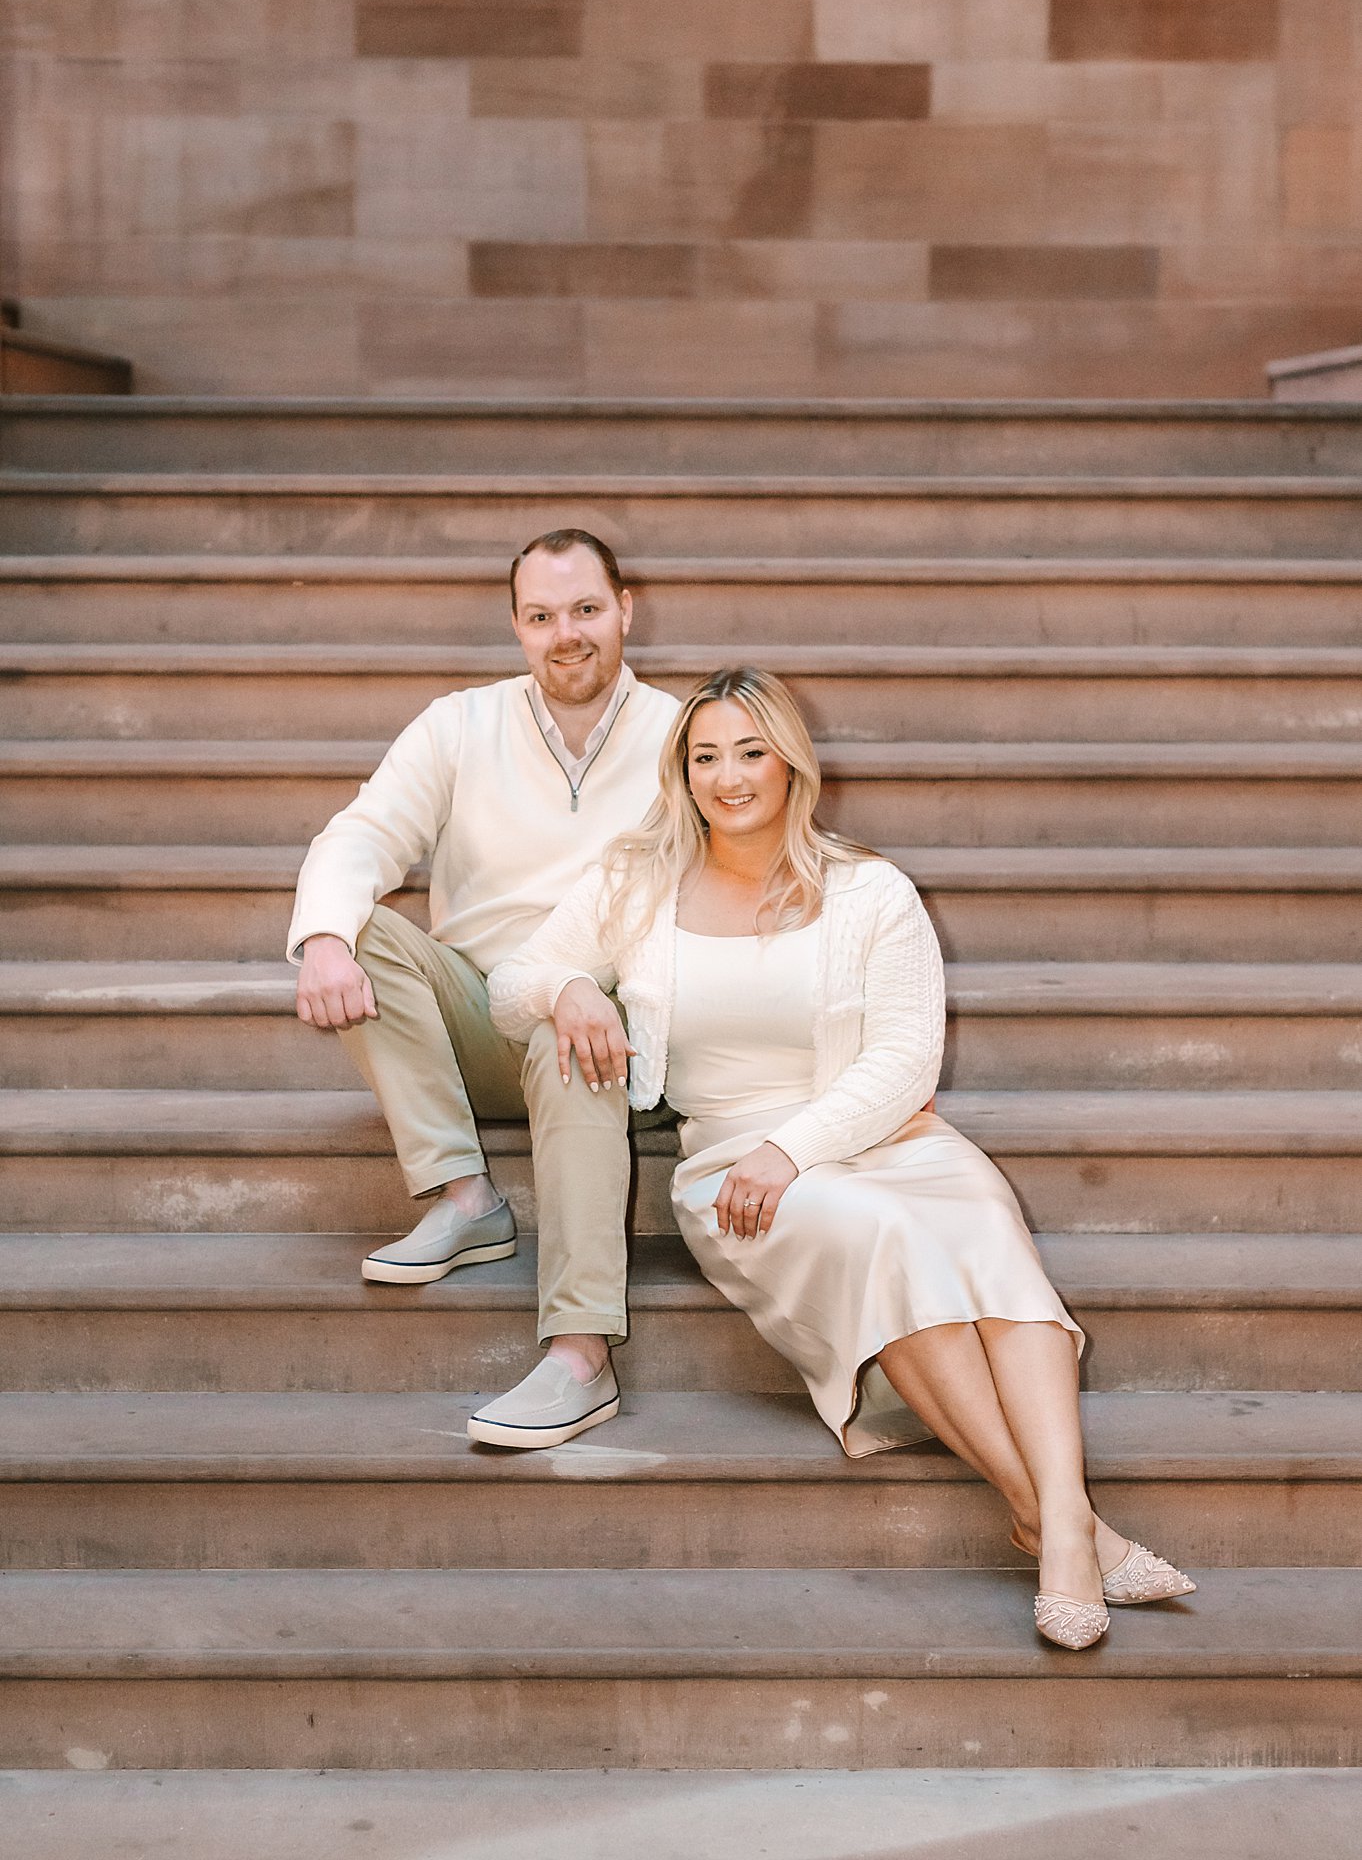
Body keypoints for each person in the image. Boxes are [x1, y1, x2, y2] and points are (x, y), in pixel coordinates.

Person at [489, 666, 1196, 1648]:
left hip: (880, 1134)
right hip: (732, 1165)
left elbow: (906, 1057)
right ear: (681, 771)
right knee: (883, 1236)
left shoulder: (870, 889)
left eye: (750, 750)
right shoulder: (639, 877)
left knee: (986, 1230)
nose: (728, 776)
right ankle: (1060, 1518)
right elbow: (513, 977)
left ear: (790, 760)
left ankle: (1055, 1520)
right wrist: (569, 987)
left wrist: (798, 1143)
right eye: (705, 755)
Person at [288, 529, 679, 1449]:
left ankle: (581, 1356)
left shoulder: (678, 735)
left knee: (569, 1027)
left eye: (586, 609)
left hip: (606, 1031)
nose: (565, 634)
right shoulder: (459, 724)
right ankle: (465, 1197)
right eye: (541, 616)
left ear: (628, 610)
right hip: (477, 1015)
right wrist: (325, 941)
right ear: (516, 626)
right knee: (364, 927)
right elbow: (361, 835)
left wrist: (581, 987)